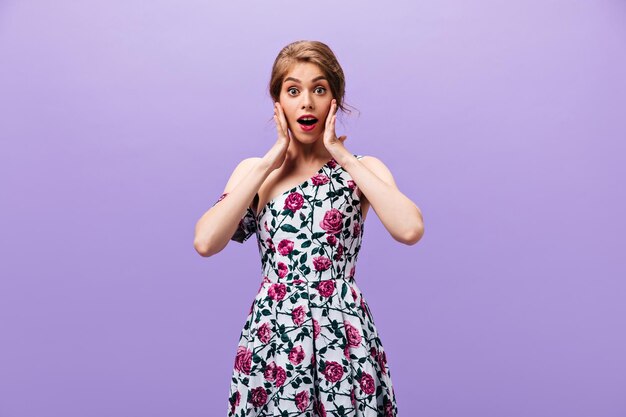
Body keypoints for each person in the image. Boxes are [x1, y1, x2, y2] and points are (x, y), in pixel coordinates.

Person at [194, 40, 424, 417]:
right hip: (274, 334)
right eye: (293, 90)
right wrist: (269, 161)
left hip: (342, 334)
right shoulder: (256, 172)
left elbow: (410, 229)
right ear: (278, 102)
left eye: (319, 89)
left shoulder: (362, 168)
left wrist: (343, 155)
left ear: (335, 100)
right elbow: (205, 241)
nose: (307, 102)